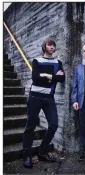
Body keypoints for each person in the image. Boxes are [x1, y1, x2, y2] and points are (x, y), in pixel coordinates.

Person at [22, 39, 65, 168]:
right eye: (49, 45)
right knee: (30, 126)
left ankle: (41, 151)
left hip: (49, 98)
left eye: (53, 45)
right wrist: (53, 76)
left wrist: (46, 75)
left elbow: (62, 78)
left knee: (54, 125)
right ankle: (26, 156)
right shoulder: (37, 61)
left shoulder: (58, 62)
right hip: (35, 96)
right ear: (44, 47)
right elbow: (35, 78)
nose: (52, 47)